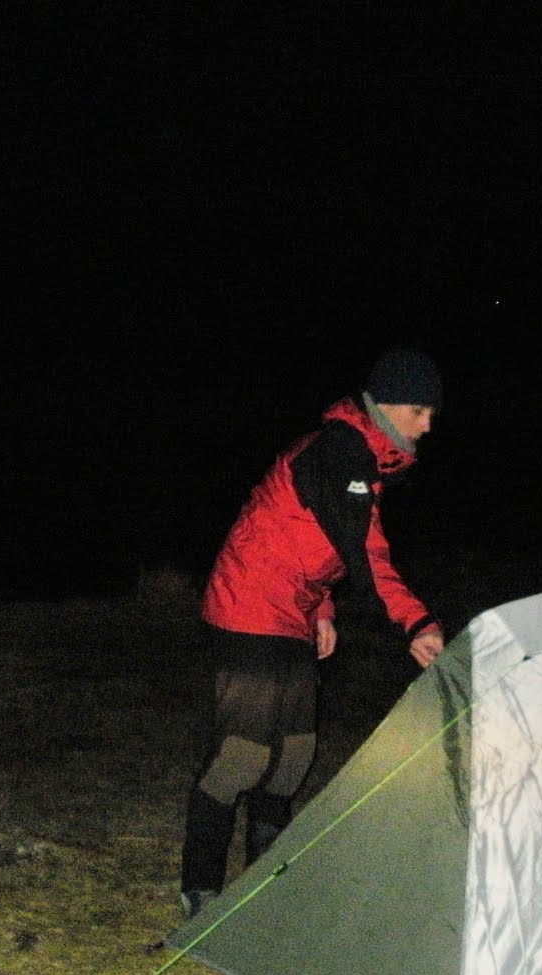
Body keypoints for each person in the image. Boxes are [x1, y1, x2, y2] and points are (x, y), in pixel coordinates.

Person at [179, 347, 447, 918]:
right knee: (243, 754)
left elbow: (314, 536)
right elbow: (362, 554)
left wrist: (322, 605)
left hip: (293, 609)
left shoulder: (361, 457)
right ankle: (200, 887)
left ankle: (265, 883)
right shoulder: (340, 450)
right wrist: (415, 622)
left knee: (294, 753)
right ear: (390, 406)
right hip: (248, 602)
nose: (428, 424)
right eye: (421, 411)